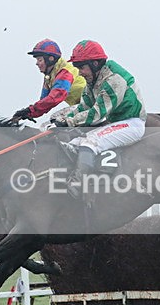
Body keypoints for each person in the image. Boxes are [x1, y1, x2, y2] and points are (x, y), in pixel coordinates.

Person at [51, 40, 147, 198]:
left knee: (89, 143)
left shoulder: (114, 79)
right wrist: (62, 120)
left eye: (81, 67)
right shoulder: (93, 80)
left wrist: (69, 122)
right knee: (74, 143)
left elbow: (97, 113)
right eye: (77, 68)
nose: (79, 73)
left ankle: (79, 184)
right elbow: (83, 107)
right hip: (116, 123)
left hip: (132, 124)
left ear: (95, 64)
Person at [10, 39, 86, 123]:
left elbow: (55, 98)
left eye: (39, 60)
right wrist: (28, 113)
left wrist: (30, 110)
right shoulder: (49, 77)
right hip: (81, 105)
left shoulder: (65, 73)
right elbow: (44, 100)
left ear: (50, 59)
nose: (36, 63)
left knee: (56, 118)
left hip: (90, 105)